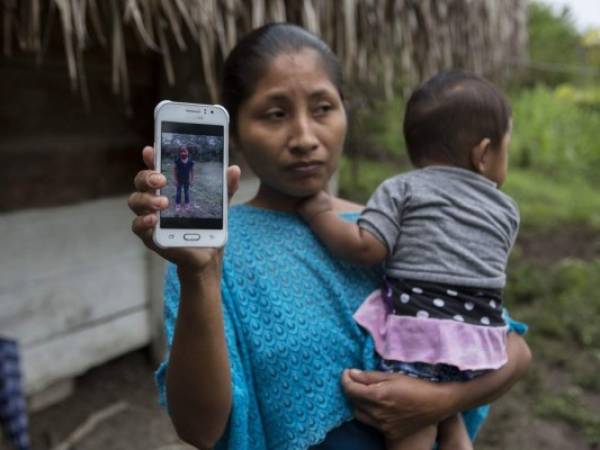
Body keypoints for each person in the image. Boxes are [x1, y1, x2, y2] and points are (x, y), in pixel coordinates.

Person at [128, 23, 531, 450]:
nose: (304, 138)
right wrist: (201, 276)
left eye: (322, 108)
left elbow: (515, 349)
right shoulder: (214, 255)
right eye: (275, 114)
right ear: (237, 132)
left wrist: (439, 401)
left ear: (345, 112)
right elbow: (200, 428)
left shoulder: (391, 227)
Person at [297, 71, 522, 449]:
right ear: (483, 155)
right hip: (481, 344)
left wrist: (318, 212)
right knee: (448, 415)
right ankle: (453, 431)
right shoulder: (507, 210)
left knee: (413, 429)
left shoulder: (402, 188)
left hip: (421, 338)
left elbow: (367, 248)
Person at [174, 145, 194, 212]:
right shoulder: (177, 161)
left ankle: (187, 204)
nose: (183, 153)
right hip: (179, 180)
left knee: (186, 192)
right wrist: (175, 180)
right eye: (181, 151)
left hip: (186, 180)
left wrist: (192, 180)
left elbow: (192, 171)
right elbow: (175, 170)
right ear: (179, 153)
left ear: (188, 152)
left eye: (185, 151)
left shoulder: (190, 162)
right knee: (178, 192)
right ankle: (177, 204)